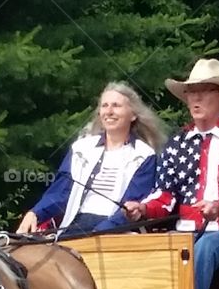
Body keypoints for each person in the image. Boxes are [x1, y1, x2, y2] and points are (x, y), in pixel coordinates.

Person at [124, 57, 219, 289]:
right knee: (138, 249)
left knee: (204, 248)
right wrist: (142, 208)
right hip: (184, 233)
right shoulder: (178, 143)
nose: (195, 99)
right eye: (191, 93)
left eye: (203, 92)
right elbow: (165, 195)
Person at [16, 83, 165, 237]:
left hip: (115, 229)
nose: (109, 111)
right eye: (104, 105)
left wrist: (99, 232)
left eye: (116, 105)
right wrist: (35, 213)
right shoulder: (81, 149)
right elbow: (60, 193)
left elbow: (130, 205)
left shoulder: (144, 155)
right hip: (74, 224)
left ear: (133, 115)